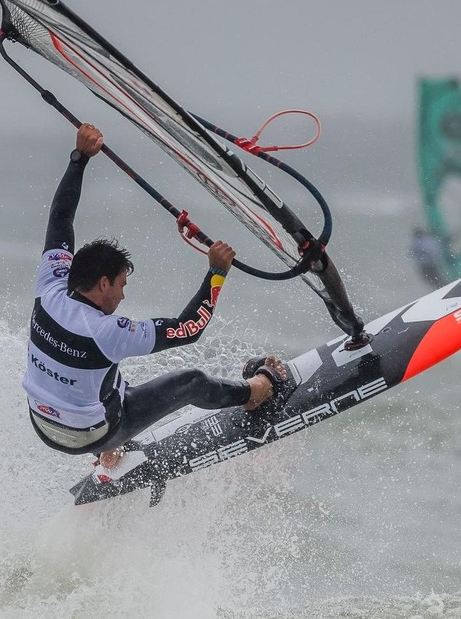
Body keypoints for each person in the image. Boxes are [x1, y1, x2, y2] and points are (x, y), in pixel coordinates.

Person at [23, 122, 292, 469]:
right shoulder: (108, 332)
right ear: (103, 283)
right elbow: (190, 328)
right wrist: (217, 273)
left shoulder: (50, 287)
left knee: (99, 372)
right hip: (93, 432)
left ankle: (108, 449)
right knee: (190, 381)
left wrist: (79, 159)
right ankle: (256, 393)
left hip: (42, 425)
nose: (122, 295)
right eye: (121, 285)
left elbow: (60, 221)